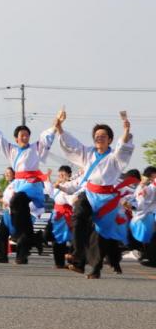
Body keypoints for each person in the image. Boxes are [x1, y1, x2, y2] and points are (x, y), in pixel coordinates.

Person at [56, 110, 134, 278]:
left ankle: (95, 269)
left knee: (99, 234)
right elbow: (73, 145)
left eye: (103, 136)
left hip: (107, 200)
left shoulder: (114, 157)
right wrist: (60, 128)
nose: (99, 138)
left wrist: (126, 133)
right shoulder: (88, 153)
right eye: (97, 135)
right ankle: (77, 256)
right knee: (78, 215)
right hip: (90, 193)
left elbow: (123, 149)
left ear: (110, 140)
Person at [0, 106, 60, 264]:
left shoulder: (36, 147)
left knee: (18, 199)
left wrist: (56, 123)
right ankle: (5, 254)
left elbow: (47, 137)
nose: (24, 137)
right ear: (16, 138)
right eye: (21, 135)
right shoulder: (12, 150)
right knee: (4, 226)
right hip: (18, 184)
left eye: (27, 135)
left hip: (31, 184)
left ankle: (25, 242)